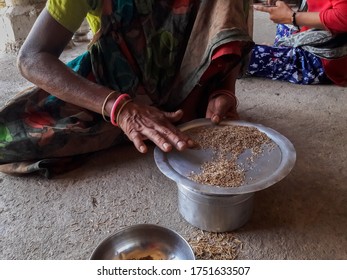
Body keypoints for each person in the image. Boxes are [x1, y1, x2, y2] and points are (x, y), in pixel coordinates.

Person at [0, 0, 254, 177]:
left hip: (192, 88)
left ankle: (181, 110)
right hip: (117, 86)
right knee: (10, 136)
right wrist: (120, 108)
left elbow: (227, 34)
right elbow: (32, 57)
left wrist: (223, 90)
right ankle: (137, 117)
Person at [248, 0, 347, 86]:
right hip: (310, 33)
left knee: (243, 56)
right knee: (281, 23)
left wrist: (292, 17)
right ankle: (280, 52)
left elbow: (344, 17)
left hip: (324, 59)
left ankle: (281, 54)